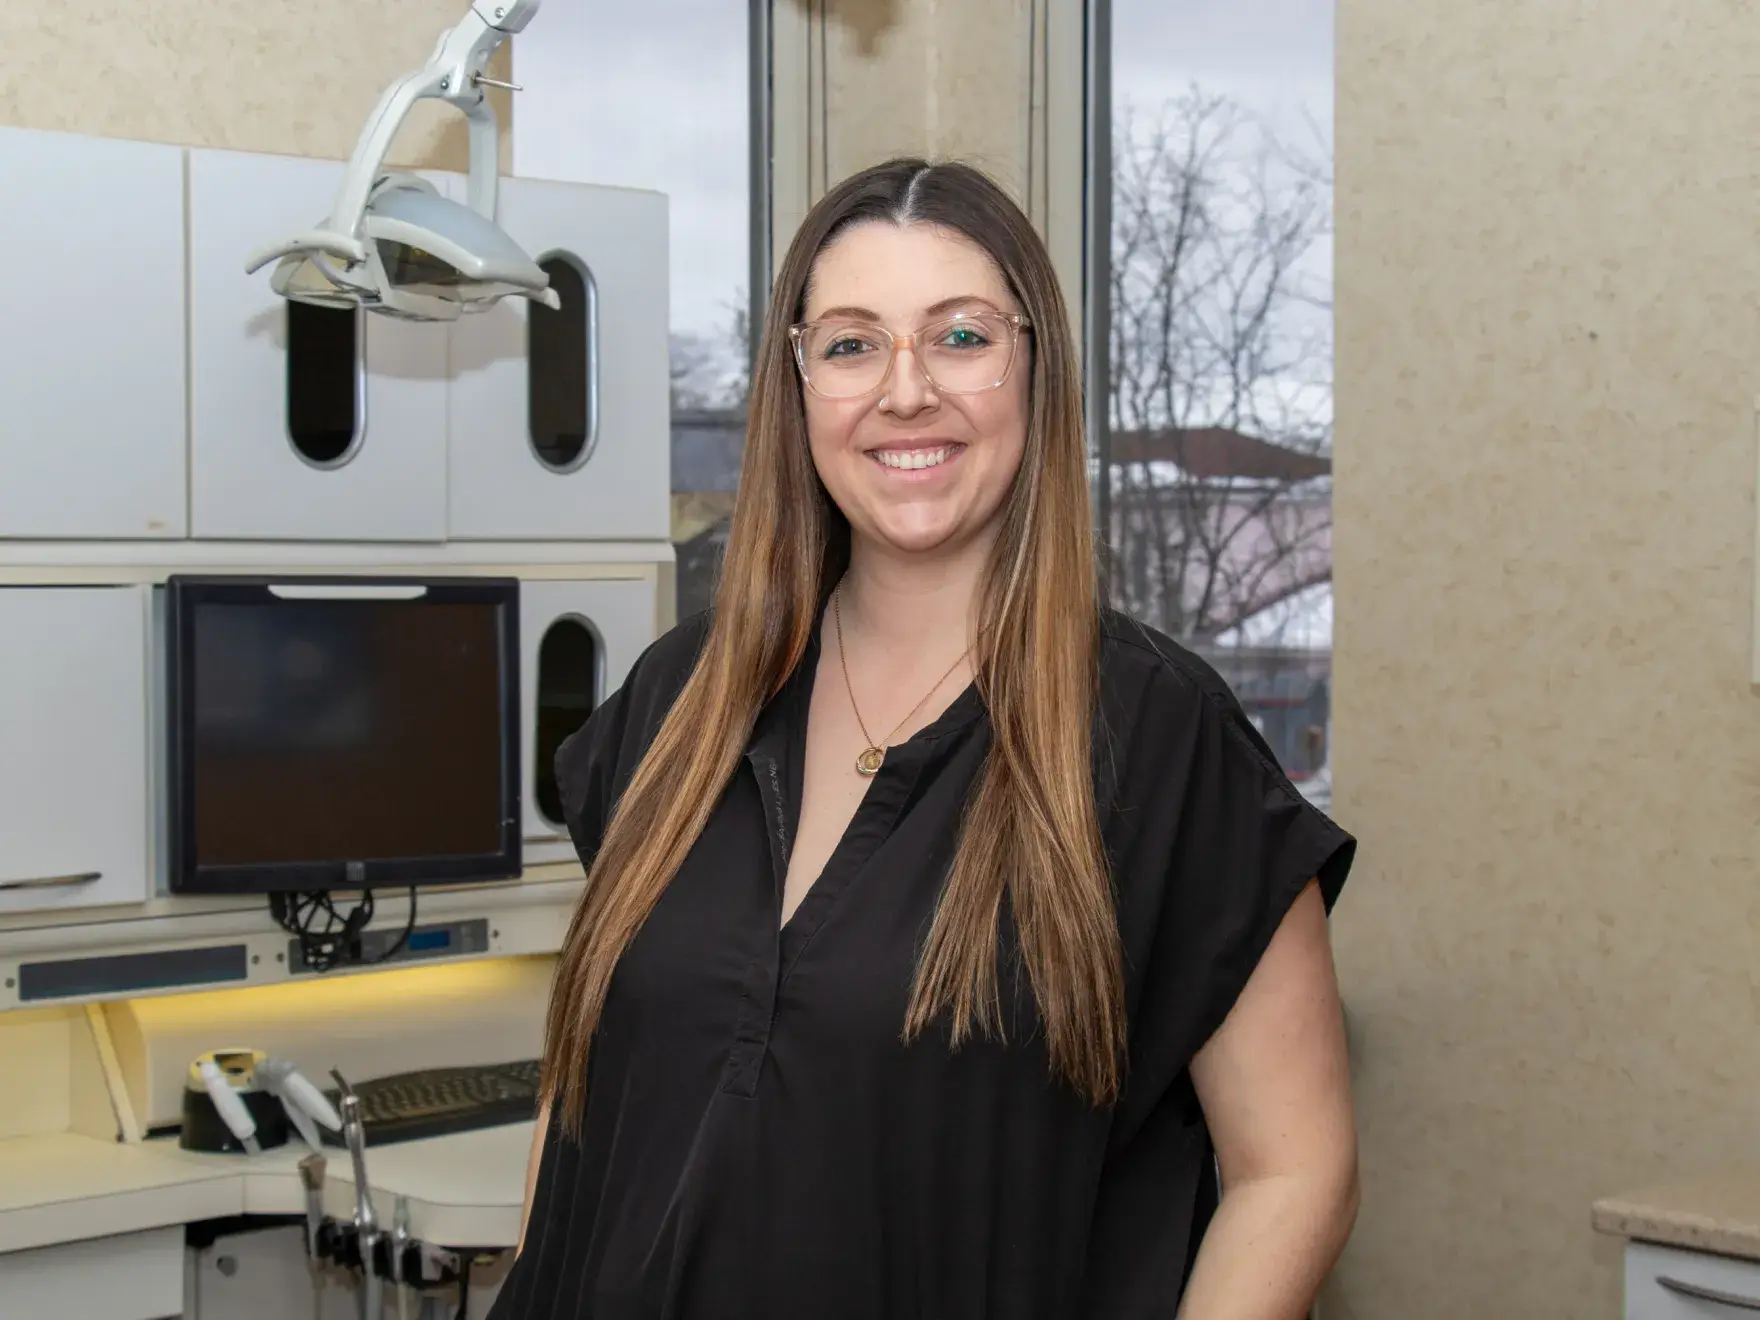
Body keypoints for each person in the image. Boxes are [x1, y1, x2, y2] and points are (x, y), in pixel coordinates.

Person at [490, 158, 1359, 1320]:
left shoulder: (1158, 741)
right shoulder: (678, 700)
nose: (904, 392)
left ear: (1034, 368)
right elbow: (583, 1096)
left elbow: (1293, 1173)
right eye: (851, 344)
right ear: (797, 386)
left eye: (959, 337)